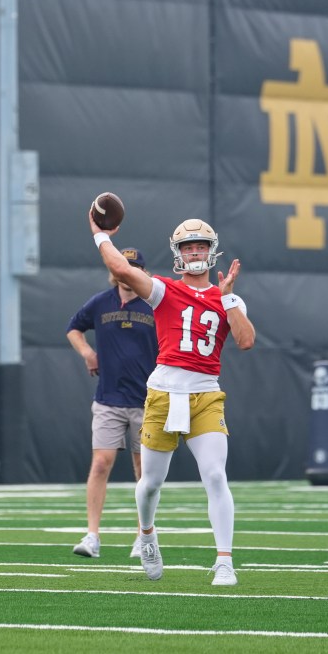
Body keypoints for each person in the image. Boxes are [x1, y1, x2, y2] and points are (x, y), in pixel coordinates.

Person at [89, 213, 255, 586]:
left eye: (200, 246)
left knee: (214, 474)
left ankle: (225, 561)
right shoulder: (164, 289)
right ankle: (147, 534)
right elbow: (120, 268)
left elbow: (246, 341)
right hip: (164, 392)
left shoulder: (228, 297)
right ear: (178, 253)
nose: (194, 252)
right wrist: (100, 234)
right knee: (150, 483)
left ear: (212, 252)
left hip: (206, 394)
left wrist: (227, 299)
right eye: (187, 247)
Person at [66, 247, 157, 560]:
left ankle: (143, 535)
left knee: (143, 468)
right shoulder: (100, 302)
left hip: (148, 400)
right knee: (101, 462)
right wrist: (88, 353)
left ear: (143, 272)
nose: (127, 273)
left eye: (134, 268)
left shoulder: (154, 302)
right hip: (108, 398)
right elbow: (74, 328)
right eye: (123, 267)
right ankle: (92, 535)